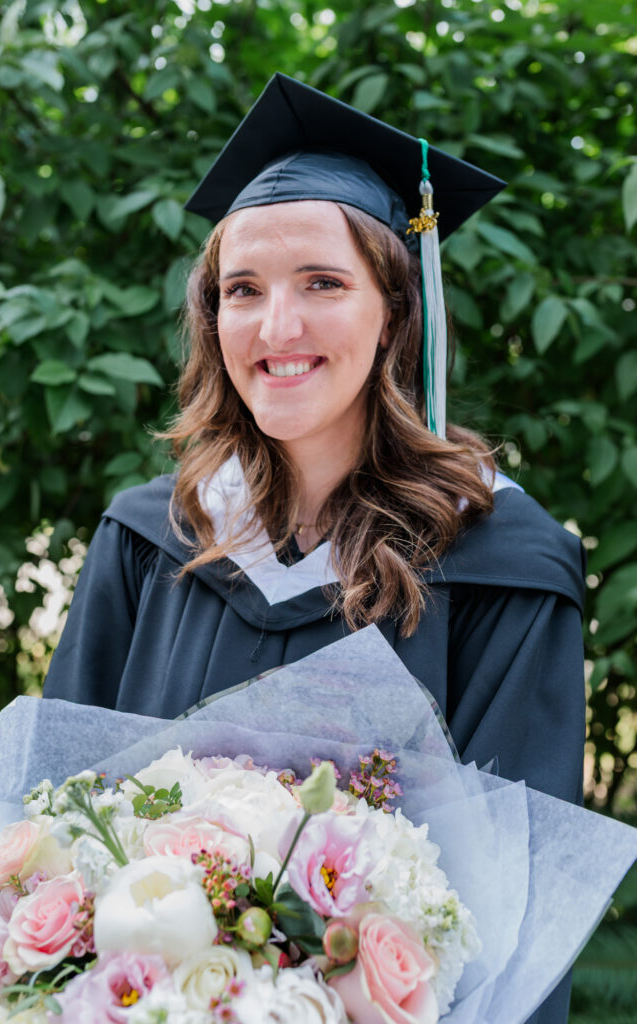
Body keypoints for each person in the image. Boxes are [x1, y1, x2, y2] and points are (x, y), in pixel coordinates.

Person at [44, 73, 586, 1023]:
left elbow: (521, 924)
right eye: (242, 290)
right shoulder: (148, 540)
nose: (276, 327)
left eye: (323, 284)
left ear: (396, 313)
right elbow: (46, 838)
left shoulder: (504, 562)